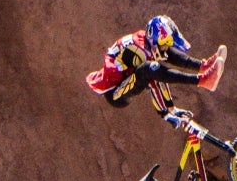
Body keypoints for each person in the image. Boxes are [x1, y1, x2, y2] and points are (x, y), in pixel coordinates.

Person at [86, 15, 227, 121]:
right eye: (164, 43)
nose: (166, 46)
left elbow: (161, 64)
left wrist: (172, 108)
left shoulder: (147, 41)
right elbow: (154, 83)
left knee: (162, 56)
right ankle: (203, 80)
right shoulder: (140, 51)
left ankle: (203, 66)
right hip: (115, 94)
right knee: (151, 68)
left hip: (126, 77)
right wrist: (167, 114)